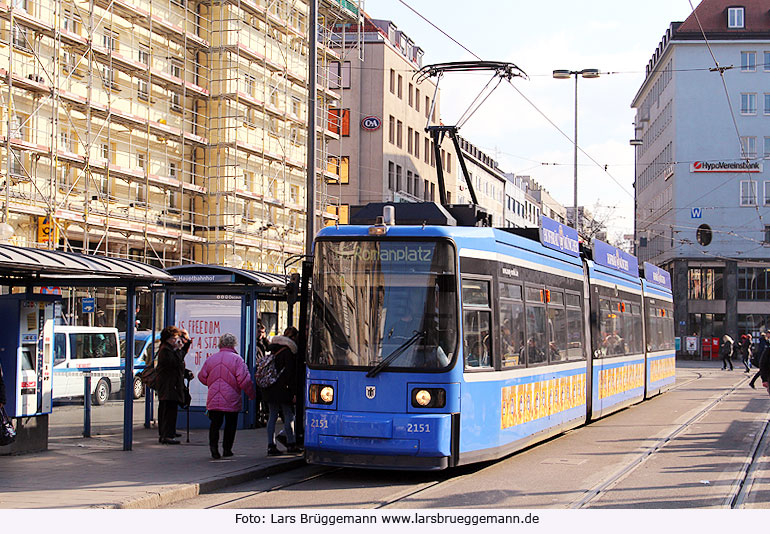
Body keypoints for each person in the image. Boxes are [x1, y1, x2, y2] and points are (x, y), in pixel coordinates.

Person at [198, 333, 256, 459]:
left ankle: (214, 449)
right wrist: (251, 395)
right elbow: (244, 380)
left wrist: (211, 384)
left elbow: (201, 376)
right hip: (231, 397)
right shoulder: (237, 359)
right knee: (230, 424)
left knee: (215, 424)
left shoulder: (211, 359)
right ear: (233, 344)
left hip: (213, 398)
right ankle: (227, 449)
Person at [261, 326, 302, 455]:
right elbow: (290, 374)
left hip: (270, 388)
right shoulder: (289, 352)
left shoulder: (273, 349)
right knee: (288, 415)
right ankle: (291, 443)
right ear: (293, 338)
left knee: (272, 416)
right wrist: (294, 391)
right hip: (283, 389)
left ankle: (271, 445)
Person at [155, 325, 193, 444]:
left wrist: (186, 342)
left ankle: (168, 432)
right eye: (174, 338)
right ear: (168, 338)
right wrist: (178, 349)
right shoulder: (166, 350)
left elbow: (179, 361)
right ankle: (167, 435)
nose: (176, 341)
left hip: (170, 384)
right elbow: (175, 363)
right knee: (168, 410)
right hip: (168, 385)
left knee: (169, 409)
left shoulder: (168, 349)